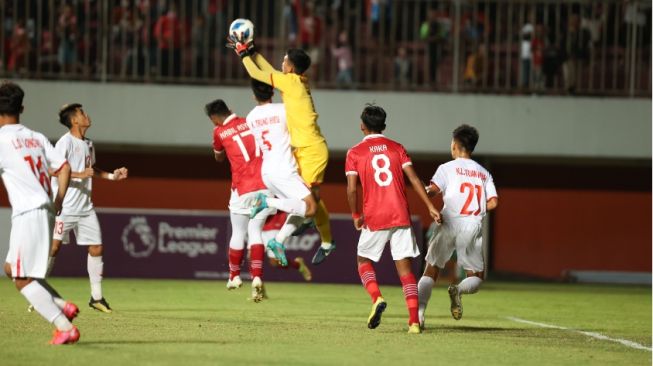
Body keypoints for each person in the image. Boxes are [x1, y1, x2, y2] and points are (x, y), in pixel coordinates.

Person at [227, 37, 335, 266]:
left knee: (310, 202)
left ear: (292, 67)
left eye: (284, 60)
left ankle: (303, 237)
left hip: (312, 149)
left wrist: (244, 55)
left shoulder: (293, 83)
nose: (281, 63)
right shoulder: (294, 81)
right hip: (305, 148)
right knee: (309, 203)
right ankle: (317, 239)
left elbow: (260, 75)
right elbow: (269, 71)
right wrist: (253, 52)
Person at [345, 104, 441, 334]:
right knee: (406, 270)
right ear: (384, 126)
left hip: (375, 215)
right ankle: (414, 323)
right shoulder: (397, 148)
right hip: (400, 214)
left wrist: (356, 214)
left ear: (362, 126)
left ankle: (376, 298)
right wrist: (430, 206)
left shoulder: (355, 152)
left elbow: (351, 190)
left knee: (363, 260)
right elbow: (415, 180)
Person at [0, 81, 80, 344]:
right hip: (44, 209)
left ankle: (64, 326)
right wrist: (58, 201)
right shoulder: (36, 137)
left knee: (22, 280)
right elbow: (65, 167)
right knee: (12, 268)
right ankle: (61, 305)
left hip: (27, 212)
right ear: (21, 108)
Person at [48, 103, 128, 314]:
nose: (87, 115)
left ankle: (96, 297)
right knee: (53, 248)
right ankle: (38, 290)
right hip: (64, 207)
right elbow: (52, 169)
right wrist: (79, 174)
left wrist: (113, 176)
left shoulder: (89, 144)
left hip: (85, 207)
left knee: (96, 248)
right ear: (74, 120)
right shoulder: (64, 143)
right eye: (82, 113)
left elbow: (92, 170)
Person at [417, 124, 498, 329]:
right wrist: (477, 210)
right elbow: (494, 202)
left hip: (448, 222)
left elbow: (432, 191)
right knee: (477, 277)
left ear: (455, 144)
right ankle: (458, 291)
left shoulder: (446, 168)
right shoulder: (484, 173)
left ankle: (418, 314)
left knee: (431, 270)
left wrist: (422, 189)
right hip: (471, 225)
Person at [246, 79, 317, 268]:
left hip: (267, 171)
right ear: (273, 92)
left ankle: (278, 241)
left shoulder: (250, 117)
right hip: (283, 168)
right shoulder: (283, 110)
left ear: (253, 95)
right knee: (311, 208)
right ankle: (265, 202)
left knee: (300, 209)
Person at [206, 99, 272, 302]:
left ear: (214, 118)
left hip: (242, 187)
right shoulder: (250, 121)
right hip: (266, 184)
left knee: (238, 231)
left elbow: (218, 158)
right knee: (256, 231)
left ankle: (234, 275)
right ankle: (257, 277)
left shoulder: (219, 131)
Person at [261, 211, 312, 281]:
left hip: (274, 225)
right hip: (259, 225)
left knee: (275, 262)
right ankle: (257, 283)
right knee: (251, 254)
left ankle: (298, 265)